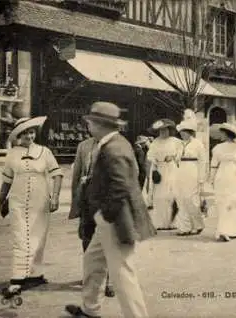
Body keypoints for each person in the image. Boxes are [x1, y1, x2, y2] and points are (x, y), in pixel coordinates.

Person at [65, 101, 156, 318]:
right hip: (111, 219)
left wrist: (105, 214)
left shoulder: (114, 148)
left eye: (90, 122)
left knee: (122, 274)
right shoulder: (112, 143)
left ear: (99, 124)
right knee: (93, 262)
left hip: (116, 220)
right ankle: (90, 310)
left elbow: (121, 186)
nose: (88, 126)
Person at [0, 116, 63, 297]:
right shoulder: (12, 154)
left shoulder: (45, 152)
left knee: (38, 238)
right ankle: (17, 280)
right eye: (25, 133)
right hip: (17, 202)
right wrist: (0, 200)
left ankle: (35, 274)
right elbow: (6, 181)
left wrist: (55, 197)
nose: (29, 136)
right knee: (20, 239)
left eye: (32, 132)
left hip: (40, 202)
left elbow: (57, 175)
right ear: (19, 135)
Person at [69, 136, 114, 297]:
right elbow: (76, 174)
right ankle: (90, 277)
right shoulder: (83, 146)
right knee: (87, 238)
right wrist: (77, 201)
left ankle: (109, 280)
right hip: (88, 199)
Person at [146, 119, 183, 230]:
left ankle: (173, 221)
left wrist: (173, 157)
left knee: (172, 195)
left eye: (165, 130)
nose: (163, 132)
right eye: (161, 130)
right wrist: (155, 161)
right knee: (160, 197)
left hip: (171, 168)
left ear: (169, 130)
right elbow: (150, 155)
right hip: (160, 169)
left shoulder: (175, 141)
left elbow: (181, 152)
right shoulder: (155, 142)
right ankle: (161, 222)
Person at [174, 110, 206, 236]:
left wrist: (201, 178)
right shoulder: (180, 144)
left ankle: (198, 224)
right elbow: (177, 158)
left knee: (191, 199)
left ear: (190, 132)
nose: (182, 134)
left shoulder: (198, 144)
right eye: (181, 132)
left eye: (184, 132)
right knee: (181, 199)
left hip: (193, 171)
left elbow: (203, 161)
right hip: (180, 171)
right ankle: (184, 227)